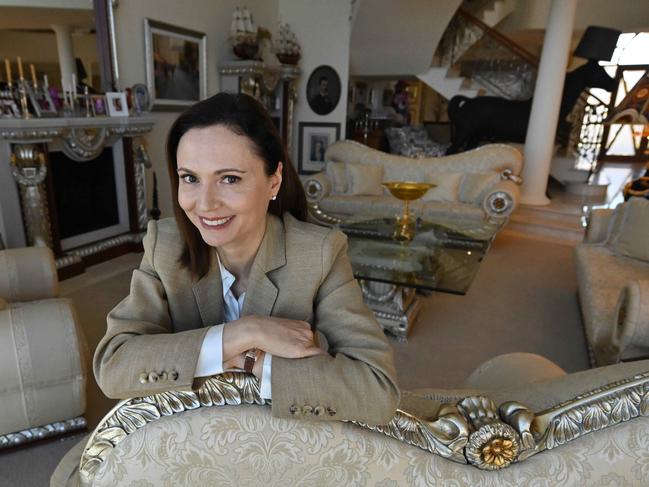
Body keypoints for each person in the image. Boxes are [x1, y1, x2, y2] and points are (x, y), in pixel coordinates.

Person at [93, 92, 399, 425]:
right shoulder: (164, 244)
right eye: (190, 178)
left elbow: (377, 390)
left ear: (274, 181)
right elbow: (114, 364)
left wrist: (257, 364)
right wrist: (243, 333)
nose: (205, 204)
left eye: (229, 179)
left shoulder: (321, 252)